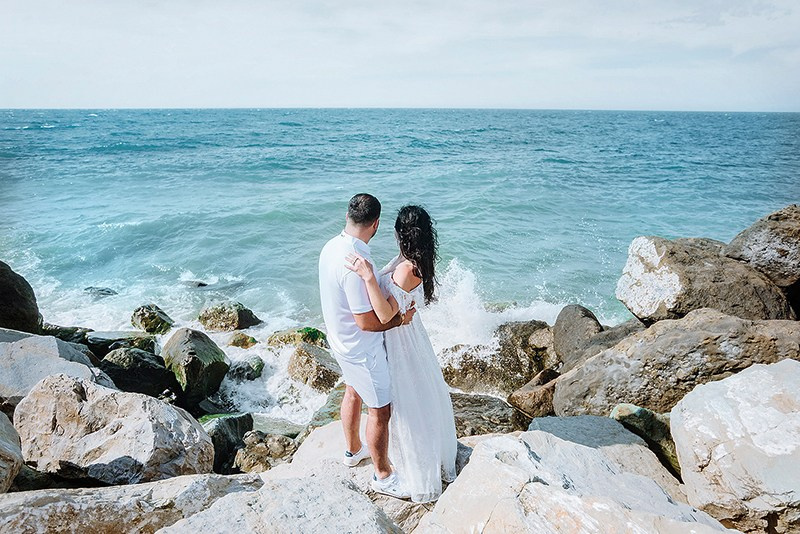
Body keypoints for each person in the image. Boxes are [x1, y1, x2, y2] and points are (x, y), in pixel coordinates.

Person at [345, 204, 457, 503]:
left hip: (400, 342)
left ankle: (412, 463)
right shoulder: (411, 260)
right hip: (407, 335)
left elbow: (384, 315)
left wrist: (368, 277)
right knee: (416, 396)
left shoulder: (407, 268)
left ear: (401, 232)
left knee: (406, 401)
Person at [318, 193, 416, 499]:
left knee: (352, 390)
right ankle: (383, 475)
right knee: (380, 411)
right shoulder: (358, 262)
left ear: (348, 216)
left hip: (339, 340)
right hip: (362, 348)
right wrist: (401, 320)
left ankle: (352, 451)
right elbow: (367, 321)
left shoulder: (330, 247)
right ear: (375, 224)